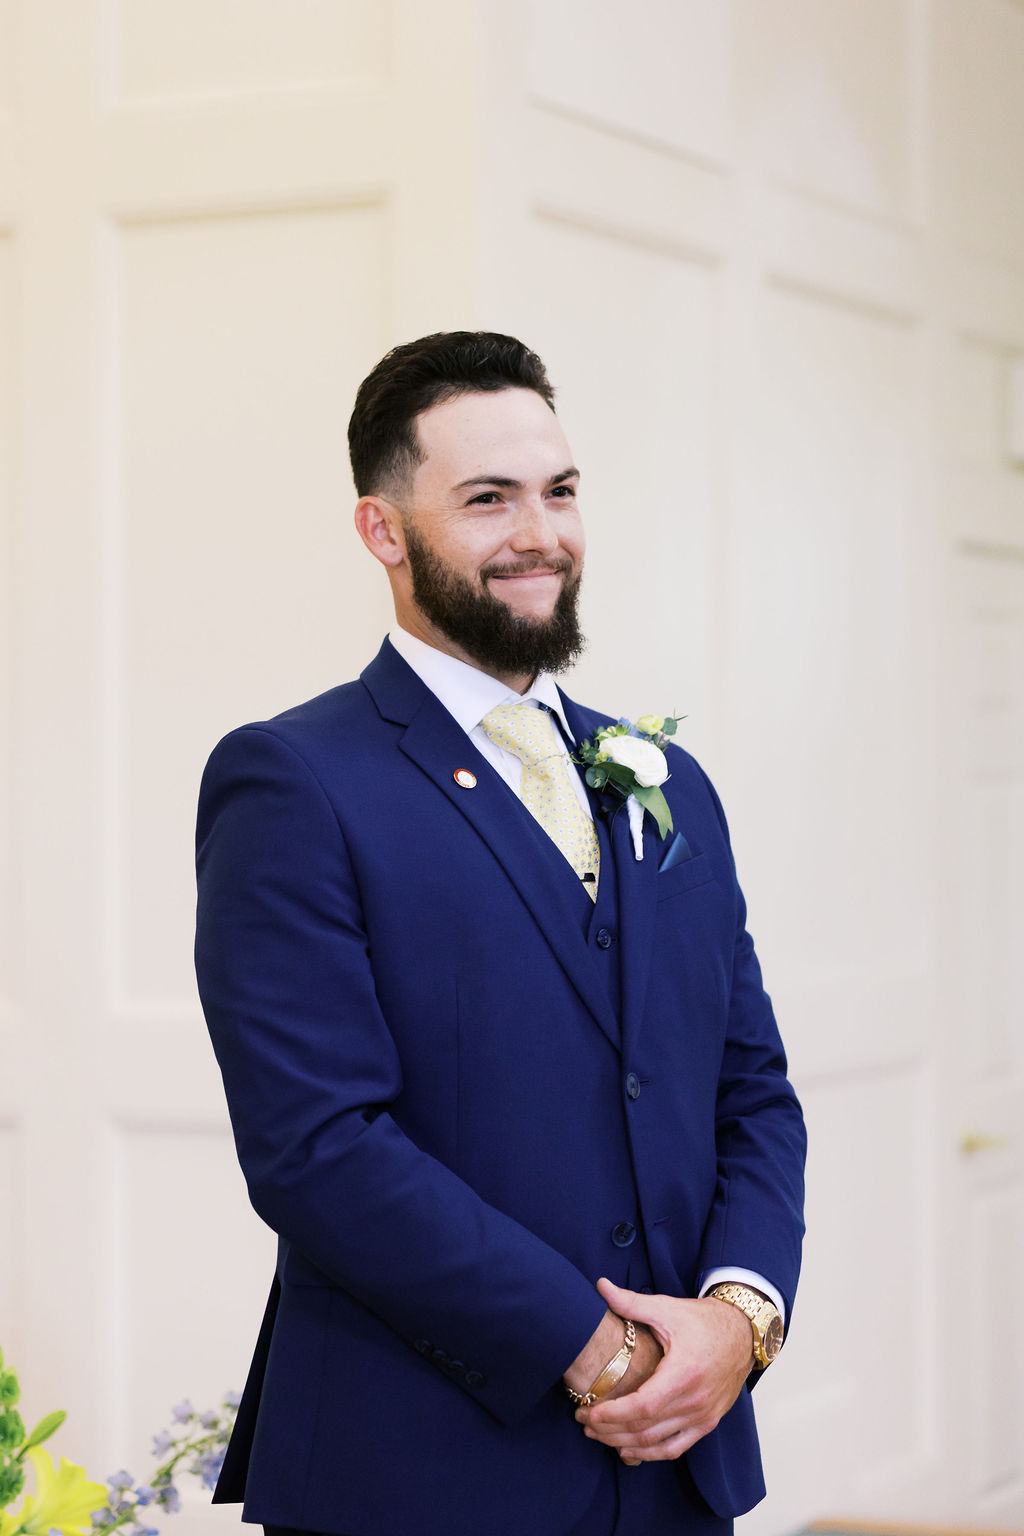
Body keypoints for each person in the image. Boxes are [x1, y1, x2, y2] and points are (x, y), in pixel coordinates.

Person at [194, 331, 806, 1536]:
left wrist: (738, 1321)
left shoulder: (669, 781)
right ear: (382, 530)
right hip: (419, 1476)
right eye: (488, 499)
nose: (540, 534)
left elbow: (750, 1090)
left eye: (559, 491)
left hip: (679, 1463)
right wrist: (598, 1352)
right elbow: (316, 1146)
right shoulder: (292, 781)